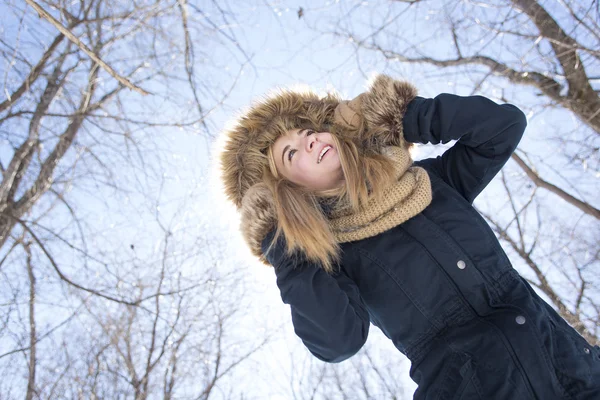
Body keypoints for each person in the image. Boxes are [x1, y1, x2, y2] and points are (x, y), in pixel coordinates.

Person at [218, 74, 600, 399]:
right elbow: (337, 342)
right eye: (291, 153)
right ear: (285, 189)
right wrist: (283, 238)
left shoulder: (431, 182)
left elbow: (502, 127)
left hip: (574, 368)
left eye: (310, 132)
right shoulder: (328, 257)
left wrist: (401, 116)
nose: (312, 141)